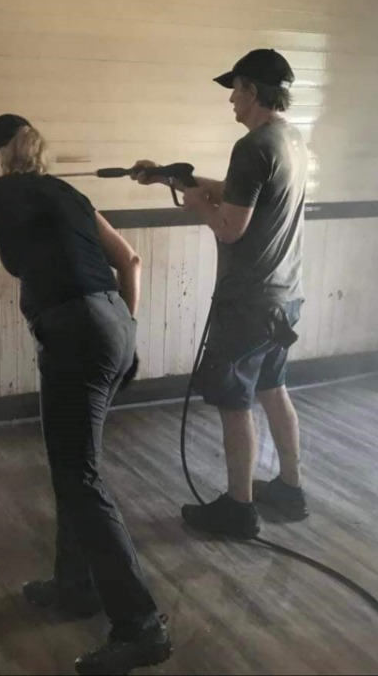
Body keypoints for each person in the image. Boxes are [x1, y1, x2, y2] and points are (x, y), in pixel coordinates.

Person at [0, 115, 171, 675]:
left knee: (80, 476)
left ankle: (142, 626)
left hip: (76, 334)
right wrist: (123, 327)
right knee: (75, 468)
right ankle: (74, 586)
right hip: (114, 325)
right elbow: (130, 260)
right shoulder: (68, 192)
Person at [133, 49, 310, 539]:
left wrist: (194, 205)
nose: (231, 99)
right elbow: (243, 194)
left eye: (235, 89)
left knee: (236, 401)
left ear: (253, 91)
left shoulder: (251, 146)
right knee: (274, 390)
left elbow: (230, 227)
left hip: (248, 301)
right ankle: (290, 490)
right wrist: (173, 178)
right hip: (285, 296)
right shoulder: (291, 140)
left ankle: (238, 509)